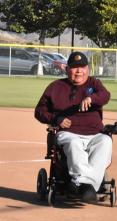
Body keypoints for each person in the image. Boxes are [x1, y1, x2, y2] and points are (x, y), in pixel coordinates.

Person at [34, 51, 111, 203]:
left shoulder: (94, 84)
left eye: (82, 67)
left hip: (94, 133)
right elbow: (39, 111)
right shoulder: (55, 87)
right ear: (67, 69)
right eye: (75, 67)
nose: (79, 71)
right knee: (74, 143)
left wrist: (91, 98)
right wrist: (56, 118)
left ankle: (83, 185)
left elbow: (105, 95)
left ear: (87, 69)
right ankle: (85, 187)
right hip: (68, 133)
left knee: (106, 141)